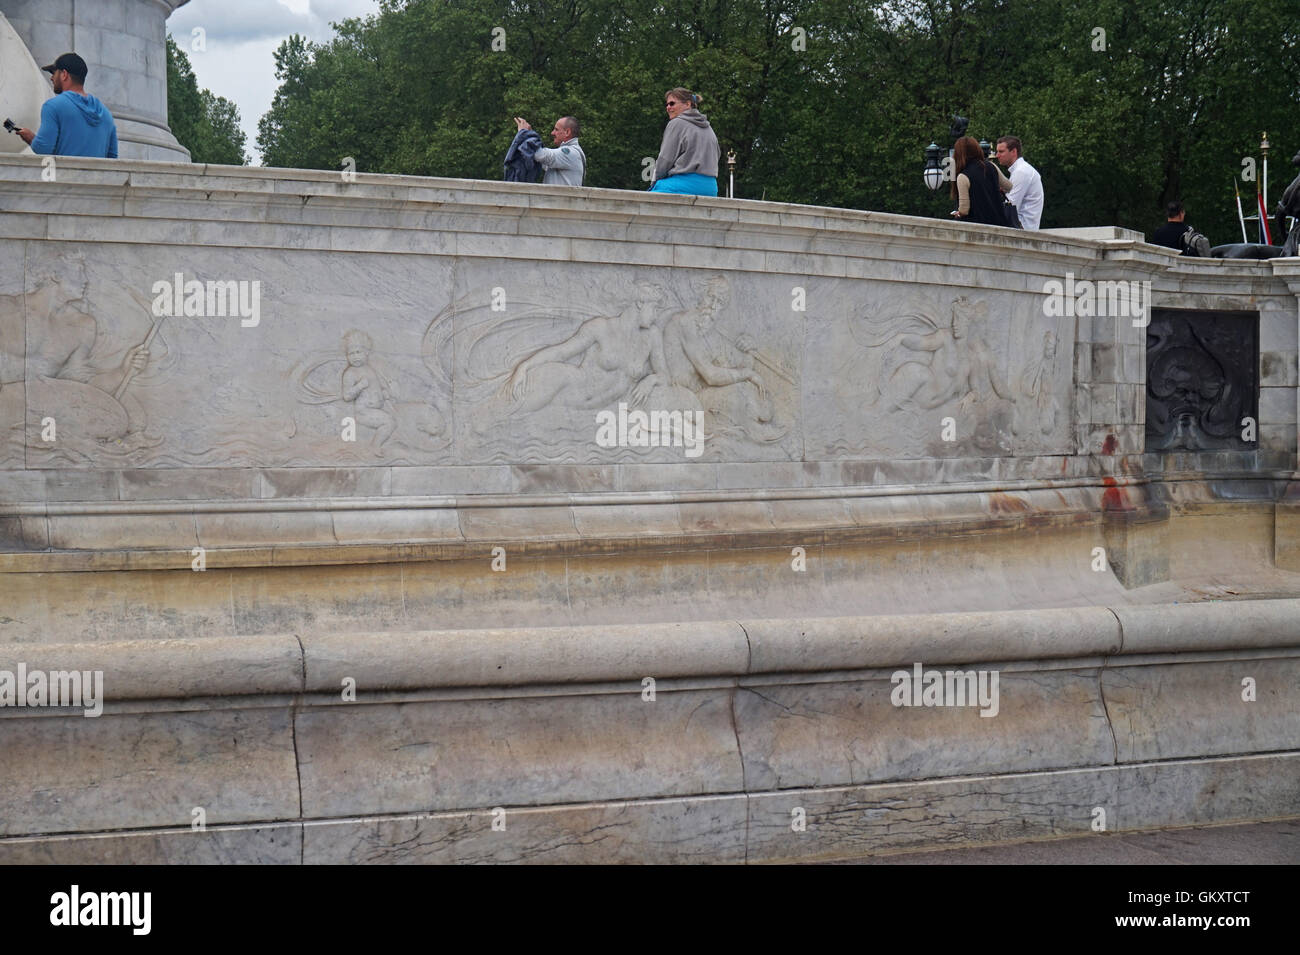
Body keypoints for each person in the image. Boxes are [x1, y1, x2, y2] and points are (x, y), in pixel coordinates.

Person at [16, 53, 118, 159]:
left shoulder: (52, 106)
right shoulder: (106, 114)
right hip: (97, 176)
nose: (51, 78)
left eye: (53, 73)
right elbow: (112, 157)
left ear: (64, 74)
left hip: (65, 175)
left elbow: (43, 149)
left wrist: (29, 137)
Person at [649, 88, 720, 196]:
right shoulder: (709, 128)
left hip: (683, 185)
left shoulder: (677, 123)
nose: (668, 107)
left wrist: (655, 182)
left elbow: (665, 159)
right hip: (711, 188)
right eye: (667, 104)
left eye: (672, 103)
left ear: (687, 104)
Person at [949, 136, 1010, 225]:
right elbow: (1008, 186)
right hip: (999, 222)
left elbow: (964, 210)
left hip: (977, 226)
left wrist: (958, 213)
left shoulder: (963, 176)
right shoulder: (991, 166)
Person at [512, 115, 585, 186]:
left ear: (567, 132)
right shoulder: (569, 155)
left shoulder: (571, 153)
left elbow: (540, 155)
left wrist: (524, 133)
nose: (552, 133)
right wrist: (529, 133)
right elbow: (541, 160)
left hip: (561, 198)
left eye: (556, 129)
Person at [995, 136, 1043, 230]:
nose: (997, 155)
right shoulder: (1021, 170)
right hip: (1024, 227)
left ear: (1014, 152)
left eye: (1001, 152)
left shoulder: (1021, 172)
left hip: (1023, 230)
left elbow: (1011, 206)